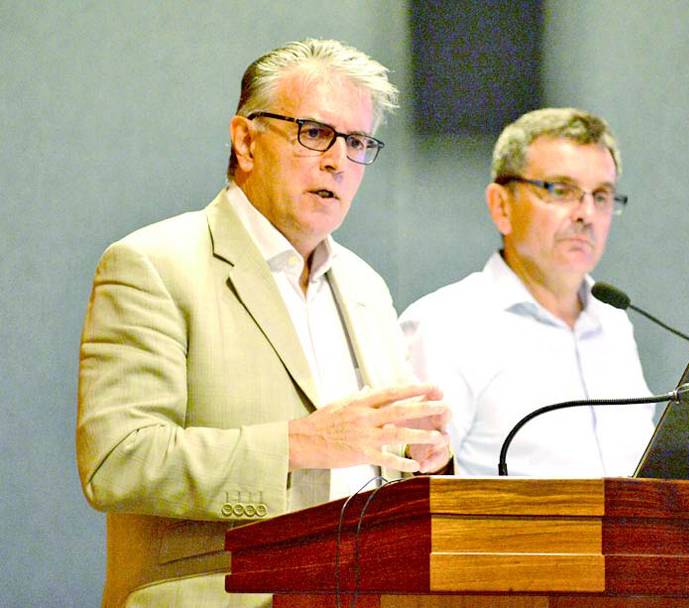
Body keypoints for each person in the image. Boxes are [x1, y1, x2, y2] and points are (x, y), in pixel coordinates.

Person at [77, 39, 451, 608]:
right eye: (315, 133)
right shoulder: (154, 264)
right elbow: (118, 461)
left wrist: (422, 458)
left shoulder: (365, 287)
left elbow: (373, 459)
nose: (338, 161)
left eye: (357, 142)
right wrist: (300, 444)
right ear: (246, 141)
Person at [400, 108, 654, 478]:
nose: (586, 213)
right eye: (561, 190)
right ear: (501, 206)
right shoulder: (444, 325)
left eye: (601, 196)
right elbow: (416, 488)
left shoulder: (614, 321)